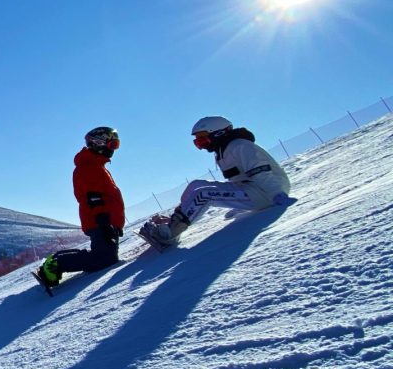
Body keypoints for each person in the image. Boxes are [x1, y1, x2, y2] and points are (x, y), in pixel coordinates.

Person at [140, 115, 293, 248]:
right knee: (196, 185)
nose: (201, 144)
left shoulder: (240, 146)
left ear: (218, 133)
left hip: (267, 192)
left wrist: (277, 194)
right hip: (251, 189)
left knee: (205, 194)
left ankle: (170, 234)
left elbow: (261, 171)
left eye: (203, 139)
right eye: (198, 141)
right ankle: (175, 221)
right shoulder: (223, 150)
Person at [36, 127, 125, 290]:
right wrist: (104, 221)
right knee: (104, 260)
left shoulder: (96, 165)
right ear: (99, 143)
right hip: (100, 221)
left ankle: (58, 261)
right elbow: (93, 197)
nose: (114, 150)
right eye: (112, 145)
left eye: (116, 145)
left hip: (106, 221)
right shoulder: (89, 166)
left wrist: (116, 223)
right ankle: (57, 264)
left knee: (107, 257)